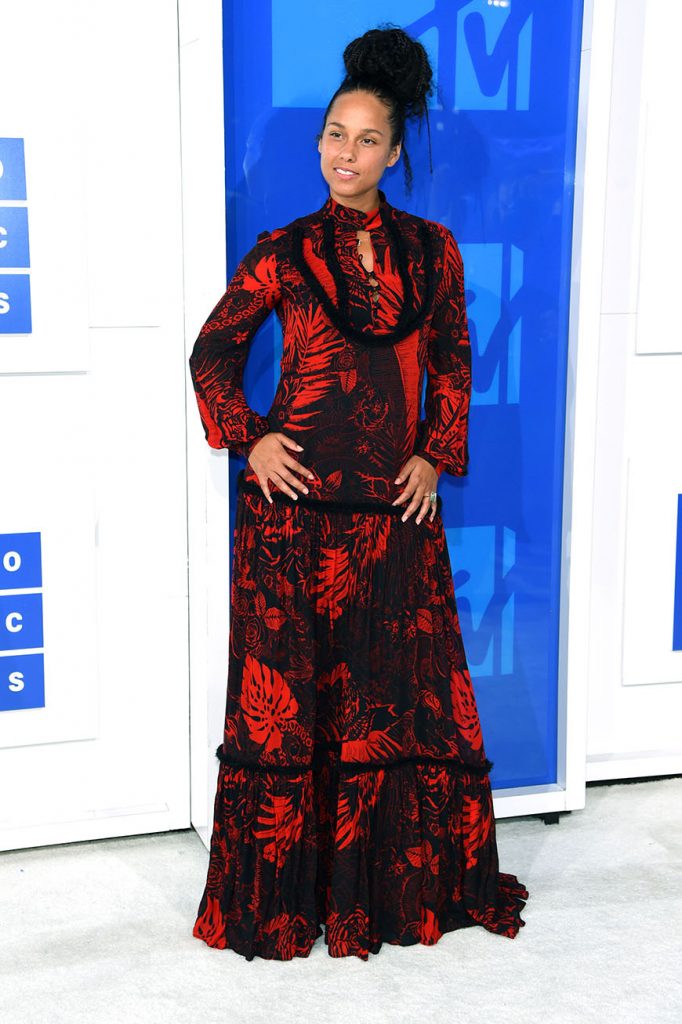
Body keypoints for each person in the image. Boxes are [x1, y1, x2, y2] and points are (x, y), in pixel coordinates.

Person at [189, 25, 529, 962]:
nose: (347, 153)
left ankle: (388, 895)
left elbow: (454, 366)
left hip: (391, 525)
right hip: (292, 528)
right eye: (334, 135)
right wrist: (251, 438)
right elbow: (212, 353)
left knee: (393, 708)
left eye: (367, 139)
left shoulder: (434, 253)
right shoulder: (283, 251)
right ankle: (292, 902)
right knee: (295, 713)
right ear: (318, 144)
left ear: (397, 149)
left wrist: (432, 455)